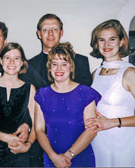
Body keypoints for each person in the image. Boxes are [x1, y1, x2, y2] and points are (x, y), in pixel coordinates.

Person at [20, 13, 93, 166]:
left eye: (55, 29)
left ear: (62, 32)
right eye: (46, 30)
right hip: (41, 139)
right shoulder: (28, 66)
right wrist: (27, 125)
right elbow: (26, 104)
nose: (51, 34)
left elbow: (87, 103)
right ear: (39, 34)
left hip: (76, 137)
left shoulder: (81, 61)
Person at [85, 19, 135, 167]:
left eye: (112, 39)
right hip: (98, 141)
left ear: (121, 42)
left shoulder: (129, 73)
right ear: (96, 44)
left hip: (122, 142)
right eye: (102, 40)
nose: (106, 45)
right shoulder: (96, 73)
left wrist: (112, 122)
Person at [35, 42, 101, 167]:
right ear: (49, 68)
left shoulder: (85, 92)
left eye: (64, 64)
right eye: (54, 64)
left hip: (80, 156)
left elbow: (91, 130)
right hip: (51, 157)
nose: (59, 69)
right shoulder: (42, 94)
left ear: (71, 67)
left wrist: (68, 156)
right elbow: (39, 130)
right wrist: (53, 157)